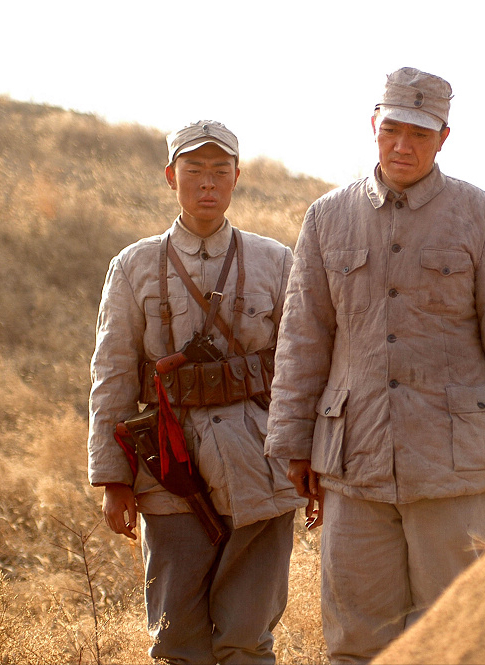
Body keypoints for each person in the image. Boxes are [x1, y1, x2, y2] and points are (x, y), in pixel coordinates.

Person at [265, 67, 485, 663]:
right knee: (355, 640)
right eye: (391, 129)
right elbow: (302, 339)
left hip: (454, 465)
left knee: (456, 637)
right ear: (373, 125)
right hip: (353, 465)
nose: (402, 144)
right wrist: (293, 442)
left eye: (419, 134)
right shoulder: (325, 218)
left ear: (444, 137)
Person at [88, 120, 304, 664]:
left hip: (263, 463)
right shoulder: (133, 264)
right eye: (193, 170)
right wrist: (114, 479)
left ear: (236, 179)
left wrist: (312, 463)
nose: (207, 183)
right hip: (169, 466)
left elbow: (304, 370)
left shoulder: (276, 261)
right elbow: (112, 374)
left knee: (247, 638)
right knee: (176, 640)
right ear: (170, 176)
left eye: (219, 171)